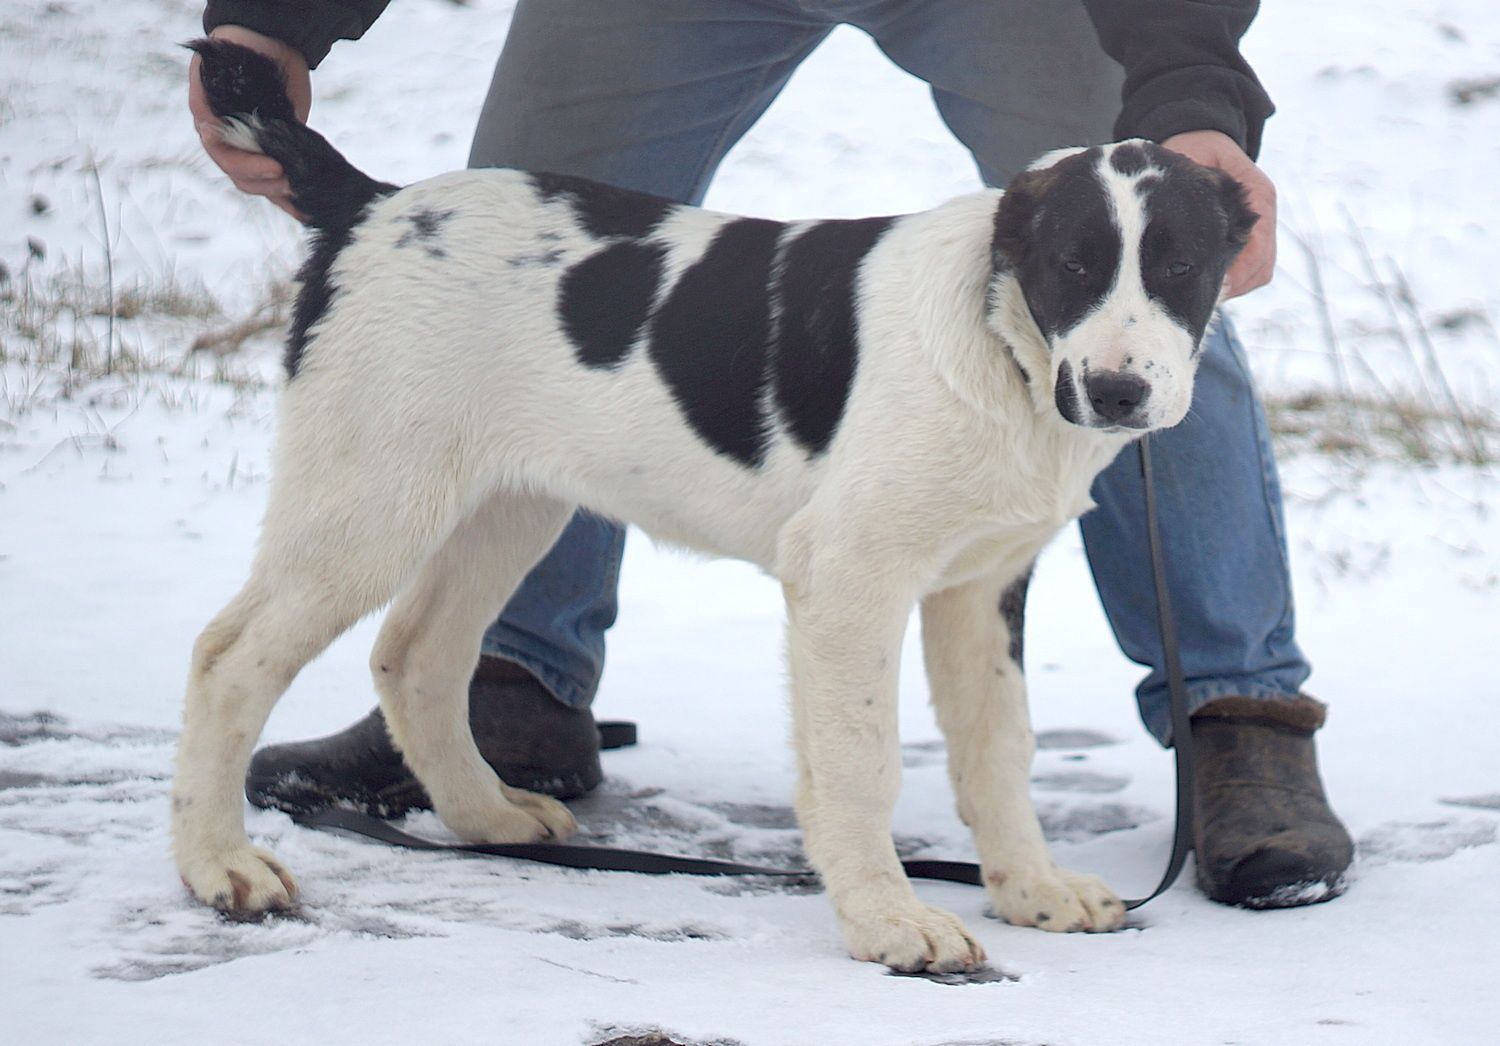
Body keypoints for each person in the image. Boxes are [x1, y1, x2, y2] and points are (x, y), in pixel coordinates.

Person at [189, 0, 1353, 908]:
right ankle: (503, 694)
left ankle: (1238, 706)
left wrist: (1200, 98)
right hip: (459, 261)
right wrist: (276, 19)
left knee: (1148, 212)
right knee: (482, 364)